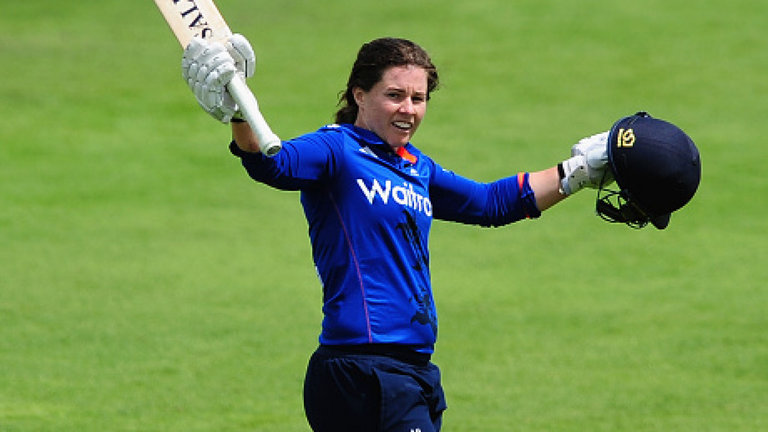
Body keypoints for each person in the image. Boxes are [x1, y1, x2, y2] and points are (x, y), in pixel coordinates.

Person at [181, 35, 611, 431]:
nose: (409, 109)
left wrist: (576, 172)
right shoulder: (336, 150)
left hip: (410, 372)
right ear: (359, 94)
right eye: (395, 95)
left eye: (418, 98)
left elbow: (490, 203)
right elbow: (271, 163)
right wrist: (239, 111)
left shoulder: (416, 168)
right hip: (362, 371)